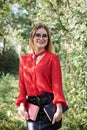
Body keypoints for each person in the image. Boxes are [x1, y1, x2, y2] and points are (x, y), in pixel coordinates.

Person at [16, 23, 68, 130]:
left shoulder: (53, 58)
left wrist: (59, 109)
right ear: (32, 38)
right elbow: (22, 86)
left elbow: (57, 85)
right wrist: (21, 105)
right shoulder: (24, 60)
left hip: (49, 107)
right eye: (38, 35)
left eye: (45, 36)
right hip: (32, 109)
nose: (41, 38)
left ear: (48, 39)